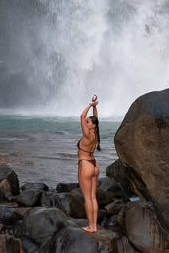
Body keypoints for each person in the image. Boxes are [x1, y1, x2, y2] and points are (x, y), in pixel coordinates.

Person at [77, 94, 101, 233]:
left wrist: (90, 105)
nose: (85, 122)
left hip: (85, 164)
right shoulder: (96, 133)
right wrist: (95, 107)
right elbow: (96, 119)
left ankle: (91, 226)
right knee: (93, 197)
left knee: (87, 197)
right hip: (94, 165)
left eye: (88, 122)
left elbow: (81, 116)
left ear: (91, 126)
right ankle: (94, 226)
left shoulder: (87, 135)